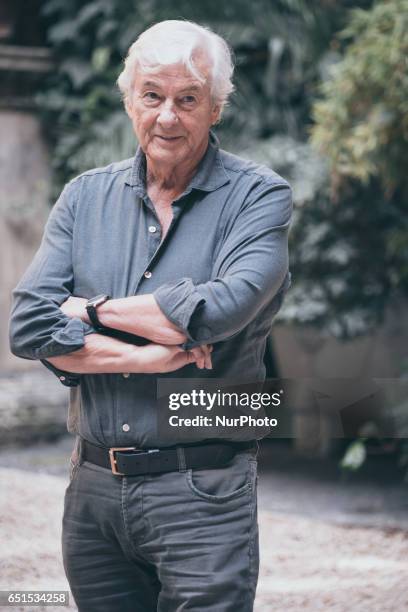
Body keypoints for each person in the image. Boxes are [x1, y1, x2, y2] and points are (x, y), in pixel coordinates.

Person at [9, 19, 292, 612]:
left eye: (188, 100)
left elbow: (220, 310)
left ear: (215, 108)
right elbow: (30, 327)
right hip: (92, 493)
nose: (168, 116)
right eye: (153, 96)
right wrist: (146, 356)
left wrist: (91, 310)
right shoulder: (85, 197)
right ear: (130, 101)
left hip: (205, 491)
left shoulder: (258, 196)